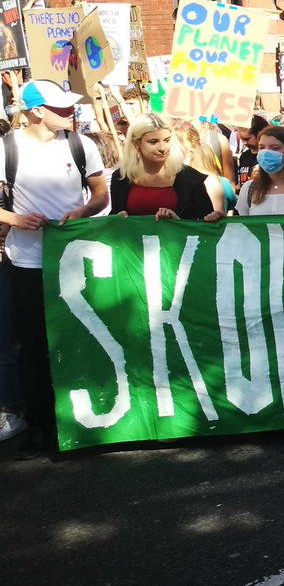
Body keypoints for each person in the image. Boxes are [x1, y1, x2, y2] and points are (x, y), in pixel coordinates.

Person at [0, 80, 109, 458]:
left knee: (85, 337)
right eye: (60, 108)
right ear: (35, 111)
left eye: (69, 107)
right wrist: (14, 218)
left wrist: (81, 211)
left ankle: (89, 423)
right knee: (32, 348)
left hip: (76, 259)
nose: (69, 113)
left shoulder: (83, 144)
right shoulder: (6, 147)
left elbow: (100, 194)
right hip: (27, 264)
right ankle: (42, 429)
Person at [110, 112, 221, 220]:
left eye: (167, 140)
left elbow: (205, 224)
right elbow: (113, 219)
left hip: (178, 239)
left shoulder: (190, 178)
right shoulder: (121, 177)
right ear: (136, 144)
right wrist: (118, 218)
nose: (162, 148)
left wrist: (178, 222)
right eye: (153, 142)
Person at [175, 122, 234, 215]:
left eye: (178, 143)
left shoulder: (208, 182)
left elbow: (213, 223)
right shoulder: (172, 177)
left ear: (192, 147)